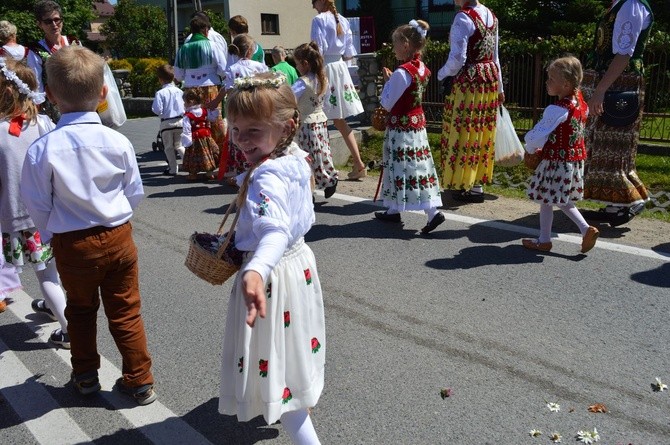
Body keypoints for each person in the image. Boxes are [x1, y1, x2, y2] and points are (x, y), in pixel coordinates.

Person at [20, 46, 156, 405]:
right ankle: (140, 380)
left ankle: (84, 376)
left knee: (79, 310)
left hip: (72, 241)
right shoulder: (118, 141)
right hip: (119, 234)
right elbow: (134, 192)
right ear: (103, 93)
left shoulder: (43, 148)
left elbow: (36, 203)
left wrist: (54, 231)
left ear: (49, 96)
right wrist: (115, 216)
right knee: (126, 310)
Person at [219, 72, 325, 445]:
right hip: (298, 267)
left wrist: (256, 270)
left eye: (253, 130)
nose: (241, 140)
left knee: (276, 366)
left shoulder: (265, 176)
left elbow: (274, 228)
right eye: (235, 128)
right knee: (292, 350)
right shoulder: (294, 156)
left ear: (286, 127)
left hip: (273, 276)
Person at [0, 57, 69, 346]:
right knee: (50, 268)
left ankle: (70, 330)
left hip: (22, 216)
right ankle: (54, 307)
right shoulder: (43, 123)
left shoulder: (1, 132)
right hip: (50, 211)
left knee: (46, 275)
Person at [581, 0, 654, 227]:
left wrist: (601, 90)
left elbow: (624, 55)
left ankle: (627, 202)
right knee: (605, 144)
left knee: (617, 145)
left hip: (620, 84)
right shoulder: (618, 5)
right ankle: (615, 204)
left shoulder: (631, 5)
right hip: (613, 82)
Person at [522, 56, 600, 254]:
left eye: (551, 79)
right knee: (554, 199)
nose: (547, 82)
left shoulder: (557, 109)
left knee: (552, 200)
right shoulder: (581, 103)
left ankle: (568, 233)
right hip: (573, 162)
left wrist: (529, 148)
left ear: (565, 84)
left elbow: (538, 135)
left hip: (556, 162)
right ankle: (551, 237)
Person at [374, 20, 445, 234]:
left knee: (408, 168)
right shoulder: (422, 68)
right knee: (416, 166)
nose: (393, 47)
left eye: (395, 43)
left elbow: (387, 102)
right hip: (416, 128)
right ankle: (393, 209)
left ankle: (433, 213)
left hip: (401, 129)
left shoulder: (402, 72)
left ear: (405, 45)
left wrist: (387, 82)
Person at [437, 0, 504, 203]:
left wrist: (441, 74)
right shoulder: (491, 15)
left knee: (463, 131)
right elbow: (495, 56)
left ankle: (461, 183)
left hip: (470, 81)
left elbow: (457, 58)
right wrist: (500, 87)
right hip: (489, 78)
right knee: (481, 132)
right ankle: (477, 186)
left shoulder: (463, 17)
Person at [311, 0, 367, 180]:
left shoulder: (319, 20)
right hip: (340, 68)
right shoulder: (343, 20)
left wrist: (313, 75)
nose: (313, 6)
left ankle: (324, 168)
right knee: (339, 120)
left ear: (320, 2)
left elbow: (317, 51)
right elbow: (349, 53)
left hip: (325, 68)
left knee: (318, 118)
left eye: (313, 2)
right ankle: (358, 164)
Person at [211, 34, 269, 181]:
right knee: (256, 136)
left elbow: (227, 90)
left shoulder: (232, 69)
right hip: (256, 107)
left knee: (239, 139)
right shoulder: (260, 67)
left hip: (238, 109)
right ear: (251, 50)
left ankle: (240, 173)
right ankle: (256, 169)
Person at [174, 15, 227, 168]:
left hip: (191, 90)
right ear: (205, 29)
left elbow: (178, 75)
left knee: (193, 124)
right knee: (214, 123)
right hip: (210, 87)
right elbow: (223, 69)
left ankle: (196, 163)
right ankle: (218, 160)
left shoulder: (183, 49)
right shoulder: (212, 45)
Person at [292, 41, 338, 199]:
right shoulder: (322, 78)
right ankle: (329, 178)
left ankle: (309, 187)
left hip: (306, 123)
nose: (296, 67)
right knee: (322, 152)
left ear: (305, 63)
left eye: (297, 64)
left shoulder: (302, 82)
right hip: (320, 120)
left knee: (306, 156)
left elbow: (290, 98)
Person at [29, 0, 81, 123]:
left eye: (57, 19)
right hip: (55, 107)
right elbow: (37, 85)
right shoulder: (36, 51)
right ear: (39, 24)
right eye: (48, 21)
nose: (54, 24)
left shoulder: (74, 42)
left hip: (80, 100)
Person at [152, 64, 185, 177]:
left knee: (169, 147)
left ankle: (173, 168)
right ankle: (188, 164)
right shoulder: (180, 91)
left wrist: (162, 114)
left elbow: (157, 109)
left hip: (167, 123)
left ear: (160, 79)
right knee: (179, 145)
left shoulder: (160, 93)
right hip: (180, 122)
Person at [181, 87, 220, 181]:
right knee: (207, 154)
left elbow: (187, 129)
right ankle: (209, 173)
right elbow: (213, 118)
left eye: (185, 102)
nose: (184, 104)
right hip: (206, 136)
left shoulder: (188, 115)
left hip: (195, 137)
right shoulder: (204, 111)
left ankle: (193, 174)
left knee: (193, 155)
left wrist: (187, 141)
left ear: (191, 102)